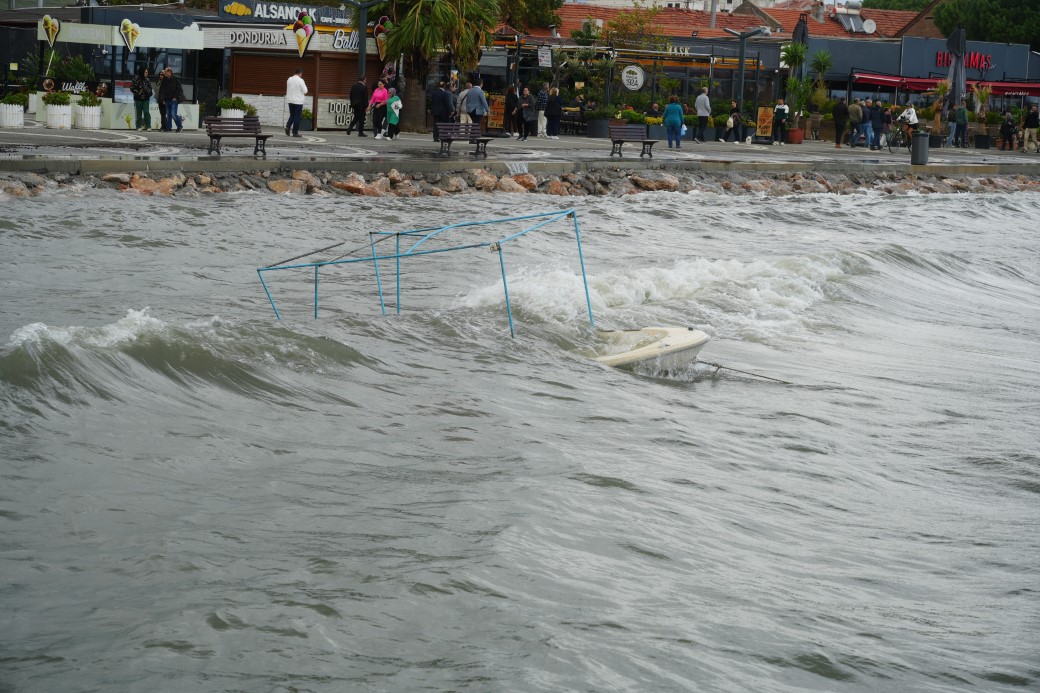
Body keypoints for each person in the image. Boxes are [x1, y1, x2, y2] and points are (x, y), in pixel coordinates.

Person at [157, 67, 185, 132]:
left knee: (173, 114)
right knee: (168, 115)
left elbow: (179, 90)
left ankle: (179, 126)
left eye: (165, 72)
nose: (164, 73)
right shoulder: (165, 80)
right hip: (167, 100)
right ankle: (168, 128)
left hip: (174, 100)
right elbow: (162, 90)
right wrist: (163, 99)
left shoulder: (175, 79)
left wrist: (175, 97)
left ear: (169, 72)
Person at [285, 67, 307, 137]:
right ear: (300, 73)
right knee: (297, 117)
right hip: (298, 101)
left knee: (292, 115)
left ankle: (288, 126)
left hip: (290, 100)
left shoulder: (289, 79)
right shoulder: (301, 80)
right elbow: (305, 91)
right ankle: (295, 132)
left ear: (295, 73)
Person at [130, 67, 153, 131]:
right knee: (139, 113)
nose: (147, 73)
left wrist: (148, 92)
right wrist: (138, 92)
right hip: (138, 99)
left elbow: (150, 89)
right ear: (142, 72)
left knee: (146, 112)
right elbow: (132, 88)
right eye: (146, 72)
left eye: (147, 72)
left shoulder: (147, 80)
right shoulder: (136, 79)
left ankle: (148, 126)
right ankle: (138, 126)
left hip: (146, 98)